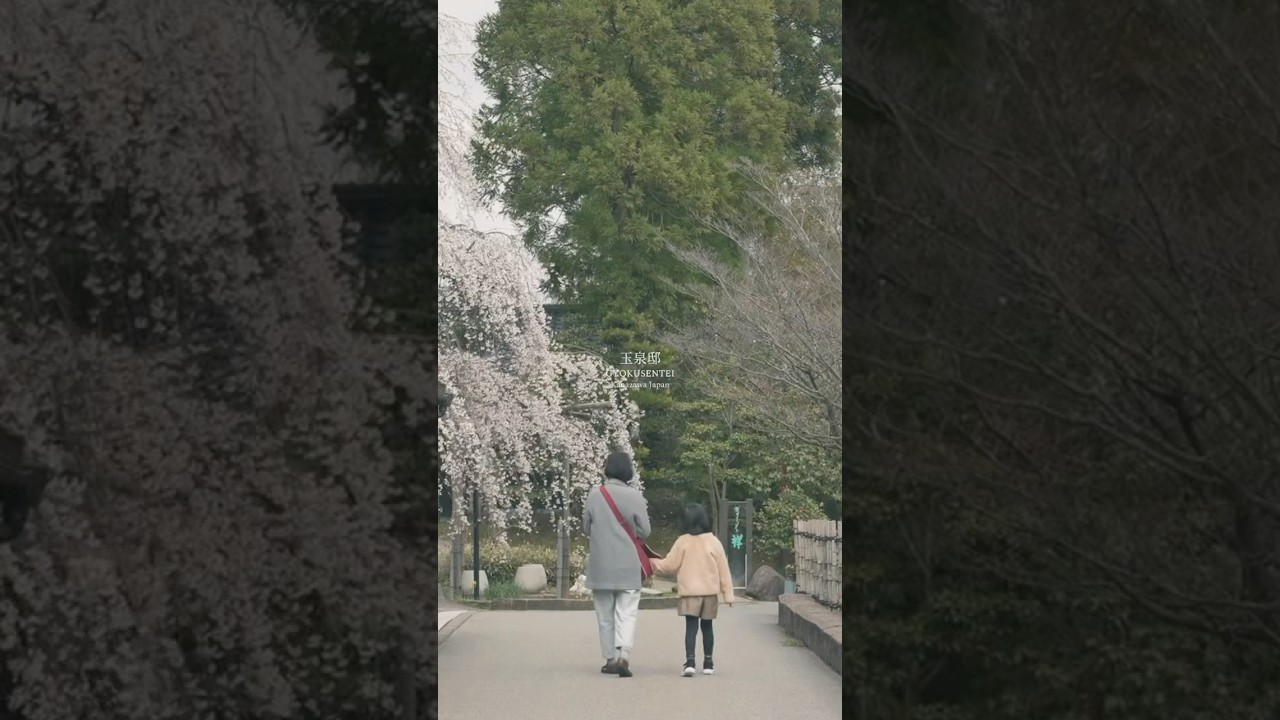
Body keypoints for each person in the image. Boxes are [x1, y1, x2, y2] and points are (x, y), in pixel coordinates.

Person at [582, 451, 652, 678]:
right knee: (627, 612)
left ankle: (609, 659)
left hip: (601, 565)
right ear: (628, 470)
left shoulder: (594, 495)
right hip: (628, 566)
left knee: (604, 615)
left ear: (607, 469)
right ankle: (624, 655)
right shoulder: (636, 497)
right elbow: (645, 531)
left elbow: (586, 528)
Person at [650, 503, 735, 677]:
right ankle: (709, 663)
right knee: (707, 627)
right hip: (710, 594)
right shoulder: (714, 541)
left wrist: (653, 562)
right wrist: (728, 595)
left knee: (691, 628)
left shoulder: (683, 541)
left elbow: (669, 565)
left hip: (689, 593)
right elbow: (723, 570)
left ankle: (690, 662)